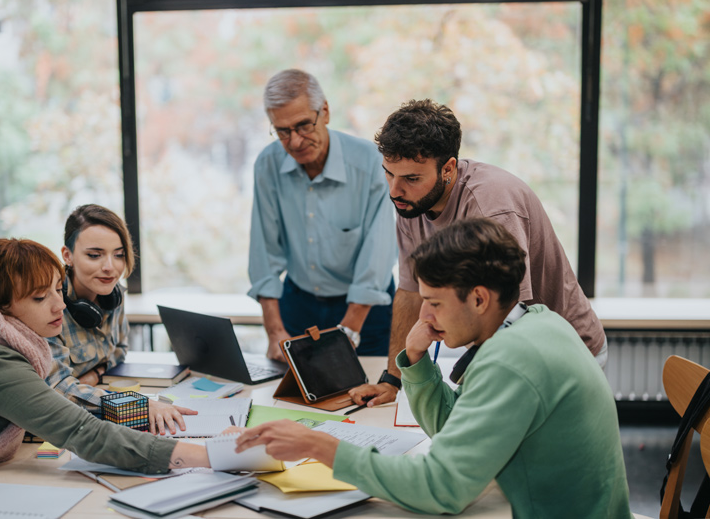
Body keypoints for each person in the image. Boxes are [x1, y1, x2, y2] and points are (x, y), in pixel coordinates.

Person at [237, 218, 632, 518]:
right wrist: (416, 361)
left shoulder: (511, 360)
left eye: (435, 302)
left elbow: (442, 488)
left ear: (479, 299)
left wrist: (318, 447)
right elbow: (455, 428)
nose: (423, 315)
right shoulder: (536, 321)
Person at [0, 239, 208, 506]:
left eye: (57, 289)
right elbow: (87, 434)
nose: (59, 305)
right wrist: (213, 455)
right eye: (40, 298)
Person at [349, 99, 607, 406]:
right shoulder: (411, 203)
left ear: (448, 169)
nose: (394, 190)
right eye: (389, 174)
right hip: (508, 349)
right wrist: (392, 379)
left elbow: (512, 315)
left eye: (411, 178)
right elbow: (409, 292)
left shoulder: (491, 208)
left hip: (563, 354)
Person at [248, 69, 397, 359]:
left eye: (303, 125)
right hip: (299, 304)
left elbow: (377, 254)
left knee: (368, 395)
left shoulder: (370, 162)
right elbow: (264, 253)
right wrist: (274, 330)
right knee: (297, 399)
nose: (295, 142)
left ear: (325, 111)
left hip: (366, 308)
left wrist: (349, 329)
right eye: (282, 131)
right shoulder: (267, 164)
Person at [45, 204, 195, 434]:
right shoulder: (49, 307)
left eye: (119, 255)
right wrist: (139, 406)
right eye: (94, 255)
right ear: (68, 255)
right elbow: (56, 389)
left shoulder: (113, 294)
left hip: (92, 408)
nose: (110, 268)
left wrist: (91, 377)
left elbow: (119, 352)